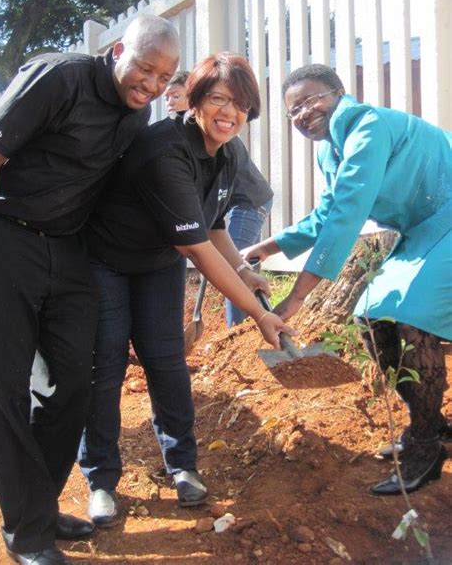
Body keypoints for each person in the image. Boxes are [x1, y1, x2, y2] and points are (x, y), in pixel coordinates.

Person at [0, 14, 180, 565]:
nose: (153, 84)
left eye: (165, 77)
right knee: (4, 391)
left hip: (68, 254)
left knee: (73, 385)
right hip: (4, 239)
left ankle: (38, 508)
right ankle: (26, 532)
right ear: (118, 50)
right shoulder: (58, 76)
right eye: (146, 66)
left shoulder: (136, 119)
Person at [78, 52, 293, 526]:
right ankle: (100, 480)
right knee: (105, 365)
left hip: (157, 262)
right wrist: (258, 315)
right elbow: (196, 248)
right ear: (194, 100)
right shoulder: (165, 149)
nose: (228, 112)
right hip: (105, 261)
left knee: (167, 361)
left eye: (239, 104)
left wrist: (243, 268)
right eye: (217, 98)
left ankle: (183, 466)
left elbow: (214, 226)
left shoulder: (228, 152)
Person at [243, 63, 452, 496]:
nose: (303, 112)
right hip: (424, 228)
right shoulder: (329, 149)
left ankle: (427, 446)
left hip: (446, 215)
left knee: (412, 318)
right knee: (370, 317)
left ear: (339, 93)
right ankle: (433, 425)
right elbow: (327, 212)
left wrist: (297, 297)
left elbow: (347, 211)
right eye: (293, 109)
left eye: (312, 98)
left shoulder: (369, 126)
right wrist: (271, 246)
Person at [163, 71, 274, 326]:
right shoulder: (180, 141)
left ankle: (238, 329)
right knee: (232, 267)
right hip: (228, 207)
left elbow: (209, 235)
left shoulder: (223, 142)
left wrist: (241, 270)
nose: (169, 102)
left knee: (234, 268)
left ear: (193, 95)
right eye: (167, 97)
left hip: (250, 202)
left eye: (176, 96)